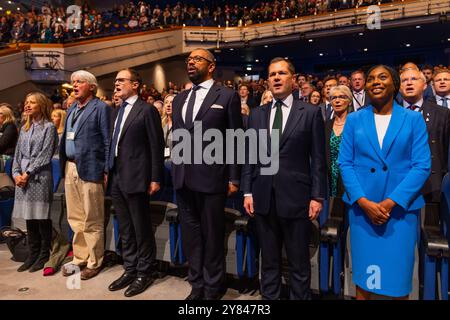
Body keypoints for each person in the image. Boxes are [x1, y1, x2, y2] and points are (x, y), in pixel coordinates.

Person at [338, 65, 431, 299]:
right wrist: (364, 202)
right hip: (362, 212)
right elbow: (345, 163)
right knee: (364, 278)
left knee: (398, 279)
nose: (375, 82)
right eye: (370, 79)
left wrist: (390, 203)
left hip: (399, 212)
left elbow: (421, 166)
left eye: (382, 77)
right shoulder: (354, 119)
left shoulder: (413, 120)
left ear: (395, 84)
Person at [242, 57, 327, 300]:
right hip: (263, 198)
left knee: (299, 264)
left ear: (293, 79)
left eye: (281, 73)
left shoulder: (310, 113)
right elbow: (250, 156)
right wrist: (247, 191)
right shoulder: (257, 114)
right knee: (268, 262)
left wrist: (317, 196)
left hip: (297, 198)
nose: (276, 78)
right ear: (267, 81)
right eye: (272, 75)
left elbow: (318, 159)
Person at [171, 48, 242, 300]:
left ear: (211, 66)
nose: (191, 62)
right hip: (183, 178)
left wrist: (234, 177)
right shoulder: (179, 99)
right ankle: (197, 284)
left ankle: (213, 287)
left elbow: (236, 139)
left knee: (212, 236)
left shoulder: (227, 95)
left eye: (197, 59)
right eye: (188, 60)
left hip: (212, 178)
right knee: (191, 236)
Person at [107, 68, 164, 297]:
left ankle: (144, 272)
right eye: (116, 80)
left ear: (136, 84)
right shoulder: (117, 110)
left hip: (137, 176)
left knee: (141, 228)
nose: (117, 84)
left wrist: (155, 177)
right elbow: (114, 144)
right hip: (117, 177)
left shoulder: (147, 110)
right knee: (126, 228)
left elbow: (156, 146)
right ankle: (129, 268)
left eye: (122, 80)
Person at [59, 70, 111, 281]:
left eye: (79, 81)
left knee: (92, 218)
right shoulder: (72, 107)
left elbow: (107, 140)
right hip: (70, 167)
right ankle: (80, 257)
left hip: (91, 168)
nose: (74, 85)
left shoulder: (101, 108)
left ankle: (94, 261)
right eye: (73, 82)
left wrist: (106, 169)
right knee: (75, 217)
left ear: (92, 86)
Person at [12, 92, 58, 272]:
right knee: (29, 218)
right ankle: (33, 253)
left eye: (32, 102)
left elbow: (45, 155)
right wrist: (16, 173)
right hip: (22, 177)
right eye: (26, 102)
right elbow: (17, 155)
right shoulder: (24, 127)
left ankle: (44, 255)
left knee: (41, 217)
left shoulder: (49, 127)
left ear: (41, 105)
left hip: (39, 177)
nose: (28, 105)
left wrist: (27, 173)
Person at [399, 68, 450, 203]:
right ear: (399, 87)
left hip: (432, 186)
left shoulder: (442, 114)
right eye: (404, 80)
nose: (409, 83)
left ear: (425, 85)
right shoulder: (390, 114)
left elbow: (445, 150)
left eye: (414, 79)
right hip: (398, 185)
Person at [325, 85, 352, 197]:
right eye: (333, 98)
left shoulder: (356, 124)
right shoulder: (325, 125)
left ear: (349, 101)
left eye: (342, 97)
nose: (337, 100)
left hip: (349, 178)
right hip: (328, 178)